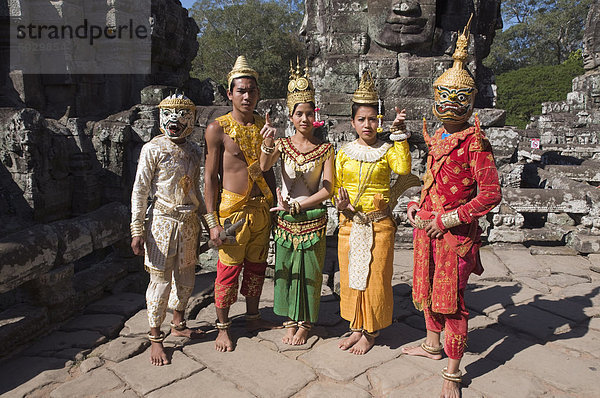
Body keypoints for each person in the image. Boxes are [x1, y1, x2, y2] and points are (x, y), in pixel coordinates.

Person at [401, 16, 502, 398]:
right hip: (427, 226)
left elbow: (490, 194)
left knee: (452, 301)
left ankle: (454, 371)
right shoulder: (439, 136)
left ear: (470, 101)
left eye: (458, 98)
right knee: (426, 289)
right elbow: (430, 179)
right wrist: (416, 204)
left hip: (455, 234)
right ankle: (431, 344)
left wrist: (448, 218)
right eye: (443, 97)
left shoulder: (476, 142)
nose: (449, 105)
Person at [334, 71, 415, 355]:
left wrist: (399, 134)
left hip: (379, 224)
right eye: (361, 119)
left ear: (378, 121)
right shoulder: (343, 153)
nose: (367, 125)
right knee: (352, 277)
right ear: (352, 122)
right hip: (350, 224)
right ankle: (356, 327)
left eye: (372, 119)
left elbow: (404, 169)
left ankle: (372, 330)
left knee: (376, 277)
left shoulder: (388, 149)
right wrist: (340, 205)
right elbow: (337, 190)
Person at [204, 55, 277, 352]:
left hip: (261, 208)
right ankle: (223, 327)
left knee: (257, 267)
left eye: (252, 90)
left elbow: (269, 170)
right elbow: (210, 177)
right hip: (232, 209)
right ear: (229, 93)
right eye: (241, 90)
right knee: (229, 270)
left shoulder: (264, 126)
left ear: (258, 93)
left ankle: (253, 316)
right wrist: (212, 222)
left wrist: (270, 145)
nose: (247, 96)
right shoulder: (217, 128)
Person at [259, 60, 334, 345]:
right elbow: (265, 166)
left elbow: (328, 188)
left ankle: (305, 322)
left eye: (309, 113)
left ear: (315, 116)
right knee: (287, 272)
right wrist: (268, 141)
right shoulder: (282, 145)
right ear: (291, 116)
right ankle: (289, 318)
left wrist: (301, 206)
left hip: (312, 217)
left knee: (311, 274)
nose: (304, 119)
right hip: (286, 222)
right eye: (299, 114)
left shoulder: (325, 149)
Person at [130, 93, 205, 366]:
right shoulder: (153, 148)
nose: (175, 121)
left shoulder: (195, 151)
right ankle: (155, 337)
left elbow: (197, 190)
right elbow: (140, 190)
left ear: (192, 120)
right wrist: (136, 229)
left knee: (186, 277)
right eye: (169, 115)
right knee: (160, 281)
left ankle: (178, 321)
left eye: (182, 115)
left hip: (188, 222)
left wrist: (209, 221)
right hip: (161, 221)